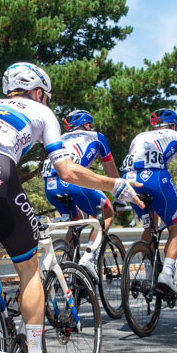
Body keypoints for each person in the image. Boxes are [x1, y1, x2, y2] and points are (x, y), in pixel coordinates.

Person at [0, 62, 140, 353]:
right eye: (46, 95)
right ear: (39, 92)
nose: (46, 101)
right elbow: (66, 170)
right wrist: (114, 184)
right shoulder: (41, 112)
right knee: (29, 267)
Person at [124, 109, 177, 295]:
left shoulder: (139, 137)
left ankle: (148, 276)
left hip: (129, 181)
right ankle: (167, 274)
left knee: (149, 226)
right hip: (155, 178)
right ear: (174, 125)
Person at [43, 109, 119, 281]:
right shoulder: (96, 137)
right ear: (86, 125)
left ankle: (68, 273)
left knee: (75, 223)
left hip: (50, 186)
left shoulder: (59, 138)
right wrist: (119, 195)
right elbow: (112, 173)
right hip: (74, 182)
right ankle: (88, 258)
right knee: (107, 213)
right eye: (90, 125)